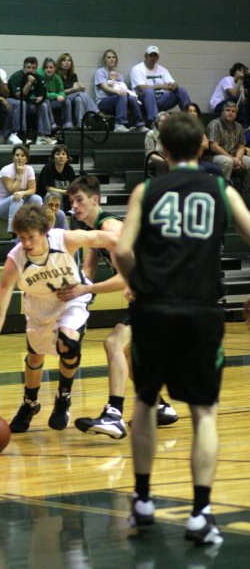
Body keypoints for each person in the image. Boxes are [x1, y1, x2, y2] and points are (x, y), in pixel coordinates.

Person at [114, 112, 250, 545]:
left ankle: (143, 500)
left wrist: (136, 282)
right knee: (203, 411)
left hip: (153, 308)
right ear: (203, 148)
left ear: (165, 151)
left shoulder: (147, 189)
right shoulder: (220, 189)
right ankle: (200, 513)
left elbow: (121, 248)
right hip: (201, 309)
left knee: (145, 400)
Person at [0, 204, 119, 433]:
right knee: (35, 357)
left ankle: (64, 396)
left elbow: (107, 238)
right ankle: (30, 403)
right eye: (21, 237)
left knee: (68, 345)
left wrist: (129, 262)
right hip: (39, 308)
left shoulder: (65, 239)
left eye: (30, 237)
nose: (26, 244)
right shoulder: (15, 260)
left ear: (44, 232)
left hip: (71, 300)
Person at [59, 175, 177, 439]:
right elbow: (87, 272)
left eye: (79, 200)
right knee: (124, 351)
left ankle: (114, 414)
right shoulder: (95, 235)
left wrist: (86, 289)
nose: (75, 206)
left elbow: (127, 275)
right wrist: (75, 301)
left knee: (113, 343)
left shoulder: (110, 227)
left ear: (95, 200)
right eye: (71, 201)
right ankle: (157, 405)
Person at [130, 45, 190, 124]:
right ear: (145, 56)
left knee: (181, 90)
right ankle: (154, 122)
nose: (153, 58)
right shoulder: (137, 69)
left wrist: (174, 85)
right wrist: (162, 86)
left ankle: (189, 119)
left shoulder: (162, 69)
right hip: (144, 102)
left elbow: (172, 82)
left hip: (161, 100)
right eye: (151, 55)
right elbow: (142, 88)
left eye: (155, 55)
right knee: (149, 91)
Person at [0, 144, 43, 232]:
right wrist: (19, 175)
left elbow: (32, 189)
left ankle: (38, 228)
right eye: (17, 155)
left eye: (22, 155)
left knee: (37, 198)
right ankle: (14, 231)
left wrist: (22, 193)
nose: (19, 158)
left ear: (26, 159)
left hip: (18, 204)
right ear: (13, 157)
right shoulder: (6, 170)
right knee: (16, 198)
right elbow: (12, 191)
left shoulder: (29, 169)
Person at [95, 49, 145, 132]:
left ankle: (140, 125)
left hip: (118, 100)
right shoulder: (100, 72)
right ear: (104, 60)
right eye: (109, 57)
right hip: (103, 102)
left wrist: (132, 95)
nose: (111, 59)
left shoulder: (119, 75)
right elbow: (104, 87)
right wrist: (118, 92)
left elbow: (123, 88)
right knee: (121, 96)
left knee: (132, 98)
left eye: (113, 57)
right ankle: (119, 124)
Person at [8, 57, 55, 145]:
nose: (31, 70)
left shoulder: (37, 77)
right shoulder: (17, 77)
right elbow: (19, 96)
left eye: (33, 68)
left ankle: (42, 135)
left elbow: (43, 93)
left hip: (27, 102)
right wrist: (29, 83)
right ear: (24, 68)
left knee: (44, 104)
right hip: (12, 101)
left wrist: (41, 97)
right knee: (22, 103)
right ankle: (21, 134)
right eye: (28, 67)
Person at [206, 101, 250, 186]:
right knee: (228, 161)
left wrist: (238, 158)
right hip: (213, 156)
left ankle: (246, 190)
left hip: (234, 156)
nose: (230, 113)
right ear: (222, 112)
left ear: (236, 114)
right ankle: (223, 188)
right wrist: (233, 159)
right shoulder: (214, 124)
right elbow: (214, 146)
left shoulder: (239, 126)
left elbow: (241, 146)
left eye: (233, 111)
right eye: (228, 110)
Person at [55, 52, 99, 127]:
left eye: (69, 61)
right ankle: (96, 112)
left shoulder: (73, 75)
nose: (67, 63)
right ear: (60, 63)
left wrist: (81, 88)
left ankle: (80, 123)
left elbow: (76, 89)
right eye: (64, 61)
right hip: (62, 98)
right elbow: (59, 92)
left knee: (79, 99)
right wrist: (73, 89)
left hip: (72, 97)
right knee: (82, 95)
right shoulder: (56, 76)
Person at [37, 143, 76, 212]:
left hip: (64, 197)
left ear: (67, 158)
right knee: (56, 195)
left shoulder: (69, 169)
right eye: (58, 154)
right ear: (53, 157)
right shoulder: (48, 168)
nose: (61, 156)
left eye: (63, 154)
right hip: (46, 197)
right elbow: (49, 189)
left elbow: (72, 187)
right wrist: (66, 192)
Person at [209, 62, 248, 127]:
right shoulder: (227, 79)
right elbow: (233, 94)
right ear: (236, 71)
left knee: (241, 103)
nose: (243, 74)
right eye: (242, 71)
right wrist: (239, 81)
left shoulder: (240, 85)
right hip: (217, 105)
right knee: (234, 99)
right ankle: (244, 125)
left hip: (229, 106)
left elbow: (242, 101)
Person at [37, 57, 72, 129]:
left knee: (67, 100)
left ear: (55, 69)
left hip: (55, 101)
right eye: (46, 67)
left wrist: (62, 96)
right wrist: (56, 96)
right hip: (46, 100)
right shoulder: (39, 77)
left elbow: (61, 91)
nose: (48, 69)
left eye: (51, 67)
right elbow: (42, 94)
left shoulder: (57, 77)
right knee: (47, 100)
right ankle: (52, 124)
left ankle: (68, 123)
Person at [144, 111, 170, 177]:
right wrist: (164, 160)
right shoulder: (151, 134)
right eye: (161, 121)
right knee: (162, 163)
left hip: (168, 159)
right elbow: (150, 154)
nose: (163, 123)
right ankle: (161, 185)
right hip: (153, 159)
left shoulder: (171, 134)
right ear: (157, 123)